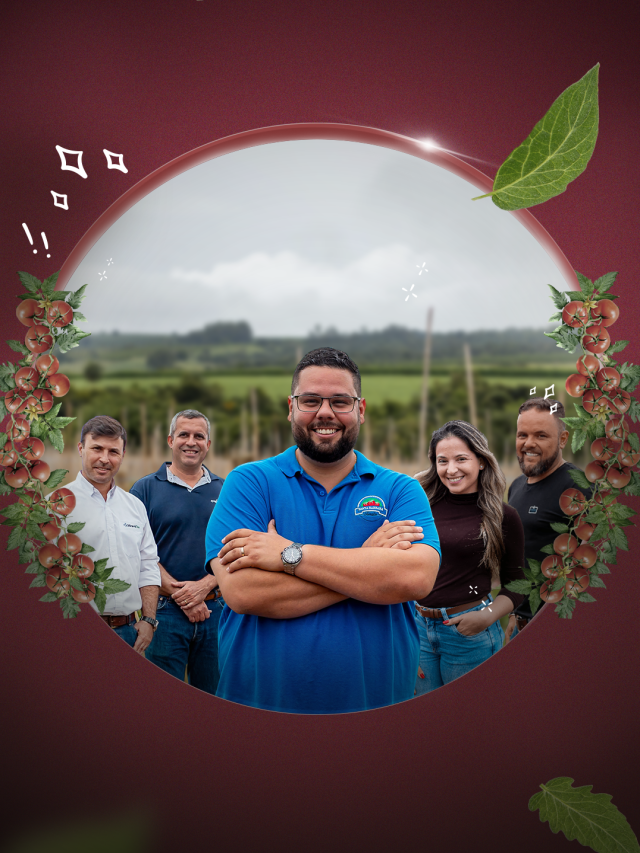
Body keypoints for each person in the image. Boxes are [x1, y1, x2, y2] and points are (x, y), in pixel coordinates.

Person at [206, 347, 441, 714]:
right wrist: (369, 570)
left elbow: (415, 578)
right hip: (259, 710)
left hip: (375, 711)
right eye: (310, 400)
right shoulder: (249, 483)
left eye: (340, 401)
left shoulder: (400, 490)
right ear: (291, 407)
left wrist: (288, 554)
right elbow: (242, 591)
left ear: (360, 409)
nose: (325, 413)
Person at [413, 420, 526, 695]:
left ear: (482, 461)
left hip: (469, 634)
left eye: (461, 459)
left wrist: (486, 617)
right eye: (442, 461)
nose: (451, 470)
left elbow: (519, 584)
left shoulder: (503, 516)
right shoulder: (420, 505)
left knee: (468, 724)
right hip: (418, 630)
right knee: (424, 721)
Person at [130, 409, 224, 694]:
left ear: (208, 444)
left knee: (214, 698)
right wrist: (186, 597)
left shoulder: (226, 489)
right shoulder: (144, 489)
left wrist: (205, 587)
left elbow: (236, 549)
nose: (191, 442)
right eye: (184, 434)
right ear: (171, 440)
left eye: (199, 436)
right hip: (164, 613)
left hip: (216, 610)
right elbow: (138, 550)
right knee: (164, 699)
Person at [64, 415, 161, 652]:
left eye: (113, 451)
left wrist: (148, 620)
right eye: (96, 448)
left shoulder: (135, 506)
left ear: (123, 455)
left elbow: (148, 565)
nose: (104, 459)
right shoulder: (57, 506)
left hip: (129, 633)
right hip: (77, 632)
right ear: (80, 448)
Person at [506, 397, 589, 639]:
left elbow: (590, 566)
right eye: (522, 435)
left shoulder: (578, 488)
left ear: (563, 439)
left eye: (541, 435)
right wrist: (514, 613)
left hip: (557, 630)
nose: (528, 444)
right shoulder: (517, 486)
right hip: (520, 625)